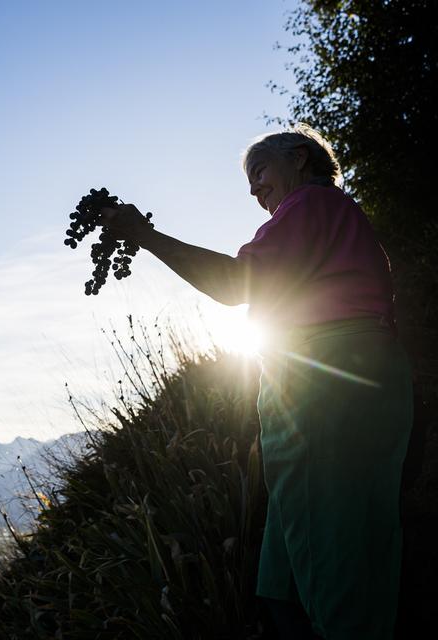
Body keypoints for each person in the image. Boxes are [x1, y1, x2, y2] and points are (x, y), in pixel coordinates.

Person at [99, 124, 414, 640]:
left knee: (330, 556)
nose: (253, 189)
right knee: (296, 566)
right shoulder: (339, 219)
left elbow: (233, 284)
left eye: (259, 171)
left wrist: (144, 236)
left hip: (324, 389)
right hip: (350, 382)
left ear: (299, 157)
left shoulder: (309, 206)